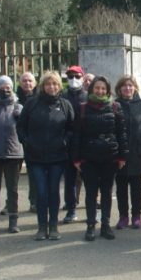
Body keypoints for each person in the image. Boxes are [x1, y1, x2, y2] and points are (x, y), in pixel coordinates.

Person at [17, 71, 74, 241]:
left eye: (55, 84)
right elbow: (21, 127)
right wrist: (27, 142)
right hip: (36, 157)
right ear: (43, 86)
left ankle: (54, 226)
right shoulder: (32, 104)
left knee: (53, 191)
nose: (52, 87)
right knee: (41, 192)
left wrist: (64, 141)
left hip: (57, 156)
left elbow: (72, 128)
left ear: (59, 86)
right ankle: (42, 227)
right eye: (48, 84)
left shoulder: (65, 105)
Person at [73, 76, 128, 241]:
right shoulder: (82, 108)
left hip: (109, 157)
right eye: (97, 88)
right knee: (90, 193)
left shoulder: (115, 107)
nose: (100, 91)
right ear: (91, 90)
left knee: (106, 192)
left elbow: (121, 133)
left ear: (108, 90)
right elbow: (76, 135)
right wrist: (76, 159)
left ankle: (105, 225)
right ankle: (90, 225)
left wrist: (122, 156)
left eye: (103, 88)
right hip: (88, 158)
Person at [114, 74, 141, 230]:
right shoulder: (115, 105)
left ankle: (136, 215)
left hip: (138, 153)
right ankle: (123, 216)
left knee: (136, 187)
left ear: (135, 88)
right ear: (119, 89)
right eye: (124, 86)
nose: (128, 88)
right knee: (121, 187)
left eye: (130, 85)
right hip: (120, 154)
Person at [0, 75, 24, 235]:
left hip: (14, 153)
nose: (5, 89)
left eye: (8, 86)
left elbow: (25, 129)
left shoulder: (18, 107)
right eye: (2, 86)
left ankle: (13, 221)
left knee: (13, 190)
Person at [61, 65, 87, 223]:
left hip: (85, 143)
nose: (73, 80)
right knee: (69, 179)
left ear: (82, 78)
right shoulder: (62, 97)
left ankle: (92, 211)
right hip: (68, 144)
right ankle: (71, 209)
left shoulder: (87, 96)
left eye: (77, 77)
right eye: (70, 77)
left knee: (90, 179)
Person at [17, 71, 38, 213]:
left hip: (35, 143)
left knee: (34, 174)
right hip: (16, 142)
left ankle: (34, 201)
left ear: (35, 83)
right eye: (24, 81)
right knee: (12, 176)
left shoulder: (39, 98)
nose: (27, 83)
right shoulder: (14, 98)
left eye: (30, 81)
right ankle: (11, 204)